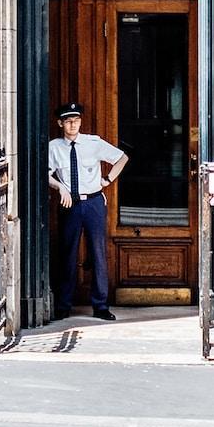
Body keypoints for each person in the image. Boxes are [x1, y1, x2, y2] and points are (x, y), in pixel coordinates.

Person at [47, 101, 129, 322]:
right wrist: (59, 186)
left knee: (98, 253)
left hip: (93, 202)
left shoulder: (93, 143)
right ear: (60, 123)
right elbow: (45, 173)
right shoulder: (54, 147)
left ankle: (100, 305)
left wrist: (107, 179)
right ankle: (64, 305)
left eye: (76, 120)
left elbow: (122, 158)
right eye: (68, 121)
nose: (73, 125)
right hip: (70, 204)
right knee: (67, 253)